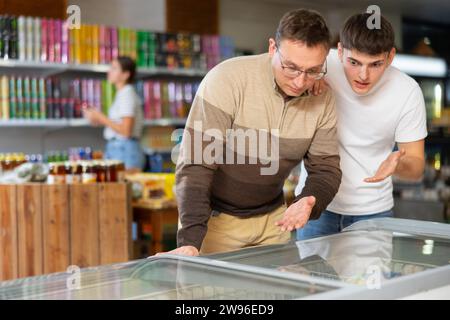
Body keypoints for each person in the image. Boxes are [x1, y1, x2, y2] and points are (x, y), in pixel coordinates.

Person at [161, 9, 342, 257]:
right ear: (271, 48)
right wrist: (190, 240)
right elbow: (195, 164)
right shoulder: (227, 79)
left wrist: (310, 199)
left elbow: (326, 169)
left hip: (275, 222)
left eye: (313, 71)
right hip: (216, 223)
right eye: (291, 67)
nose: (300, 82)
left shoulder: (323, 98)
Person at [296, 13, 427, 240]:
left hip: (373, 212)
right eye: (354, 62)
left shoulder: (407, 92)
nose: (363, 75)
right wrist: (309, 76)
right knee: (310, 275)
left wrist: (396, 165)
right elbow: (282, 69)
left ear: (390, 57)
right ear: (339, 51)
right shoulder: (320, 65)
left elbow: (416, 168)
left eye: (375, 64)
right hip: (316, 205)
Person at [83, 56, 145, 171]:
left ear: (126, 74)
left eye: (114, 68)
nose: (109, 71)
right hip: (120, 149)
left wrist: (100, 117)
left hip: (124, 150)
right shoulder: (121, 94)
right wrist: (96, 118)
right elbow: (117, 125)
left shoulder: (127, 94)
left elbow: (126, 131)